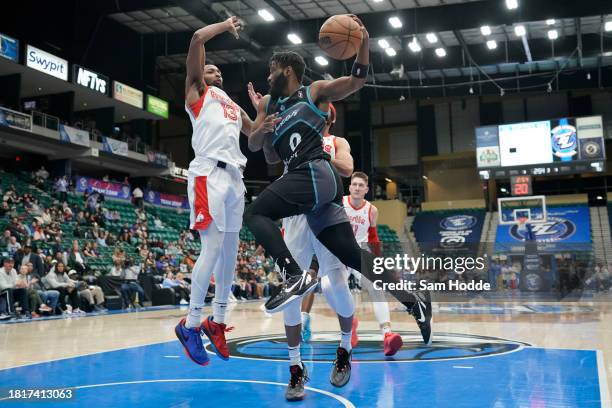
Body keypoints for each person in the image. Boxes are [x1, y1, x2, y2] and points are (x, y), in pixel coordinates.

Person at [243, 22, 432, 394]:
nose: (267, 78)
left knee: (255, 214)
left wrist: (364, 42)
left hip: (316, 177)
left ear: (287, 71)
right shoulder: (269, 104)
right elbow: (256, 149)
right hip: (303, 200)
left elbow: (357, 79)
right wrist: (261, 124)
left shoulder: (313, 92)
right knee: (356, 259)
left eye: (271, 71)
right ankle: (414, 301)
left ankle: (301, 283)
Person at [174, 15, 268, 367]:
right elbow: (197, 37)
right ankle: (191, 324)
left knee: (230, 250)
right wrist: (225, 26)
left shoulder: (231, 105)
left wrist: (261, 114)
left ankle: (217, 320)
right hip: (208, 172)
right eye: (211, 69)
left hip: (235, 178)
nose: (217, 73)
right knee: (212, 246)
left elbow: (255, 140)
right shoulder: (198, 91)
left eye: (218, 71)